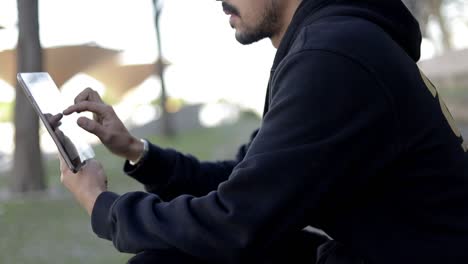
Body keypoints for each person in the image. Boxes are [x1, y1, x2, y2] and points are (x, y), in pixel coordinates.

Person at [59, 0, 468, 263]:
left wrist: (103, 207)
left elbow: (233, 224)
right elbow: (245, 180)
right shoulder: (334, 42)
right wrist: (137, 151)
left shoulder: (331, 55)